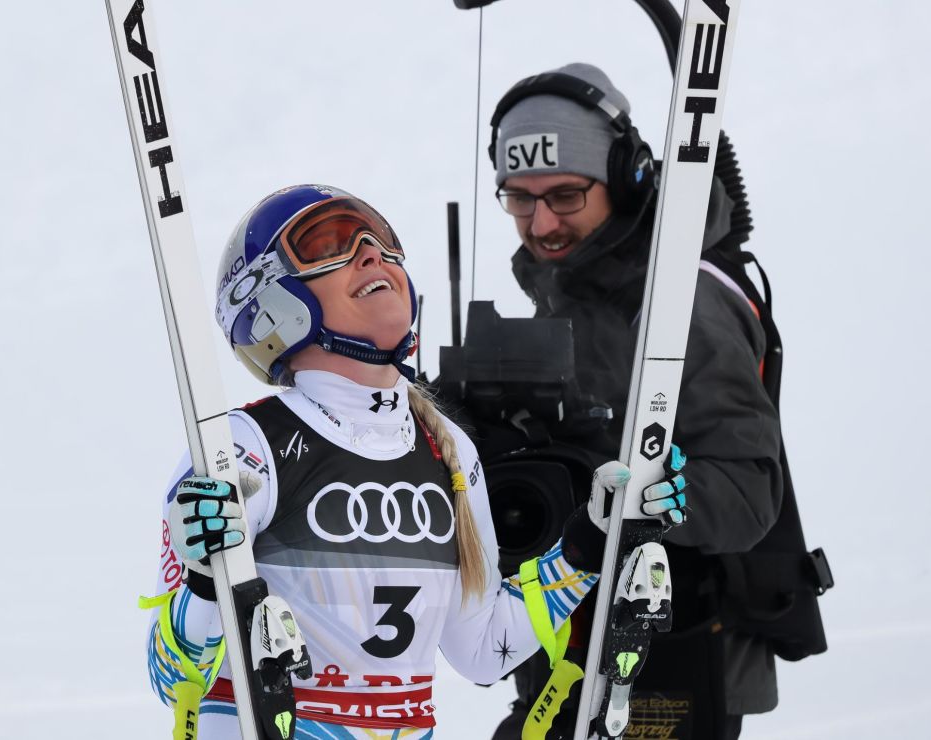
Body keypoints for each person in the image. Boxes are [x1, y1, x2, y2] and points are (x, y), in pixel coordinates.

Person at [142, 184, 689, 739]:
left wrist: (587, 544)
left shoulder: (447, 449)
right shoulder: (244, 447)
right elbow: (169, 678)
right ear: (269, 303)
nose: (370, 252)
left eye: (379, 239)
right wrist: (202, 584)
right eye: (328, 243)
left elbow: (481, 648)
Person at [484, 64, 784, 740]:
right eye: (518, 199)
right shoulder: (566, 289)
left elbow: (747, 491)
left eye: (565, 194)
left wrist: (635, 495)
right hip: (572, 655)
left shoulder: (689, 302)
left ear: (628, 179)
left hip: (675, 662)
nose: (541, 222)